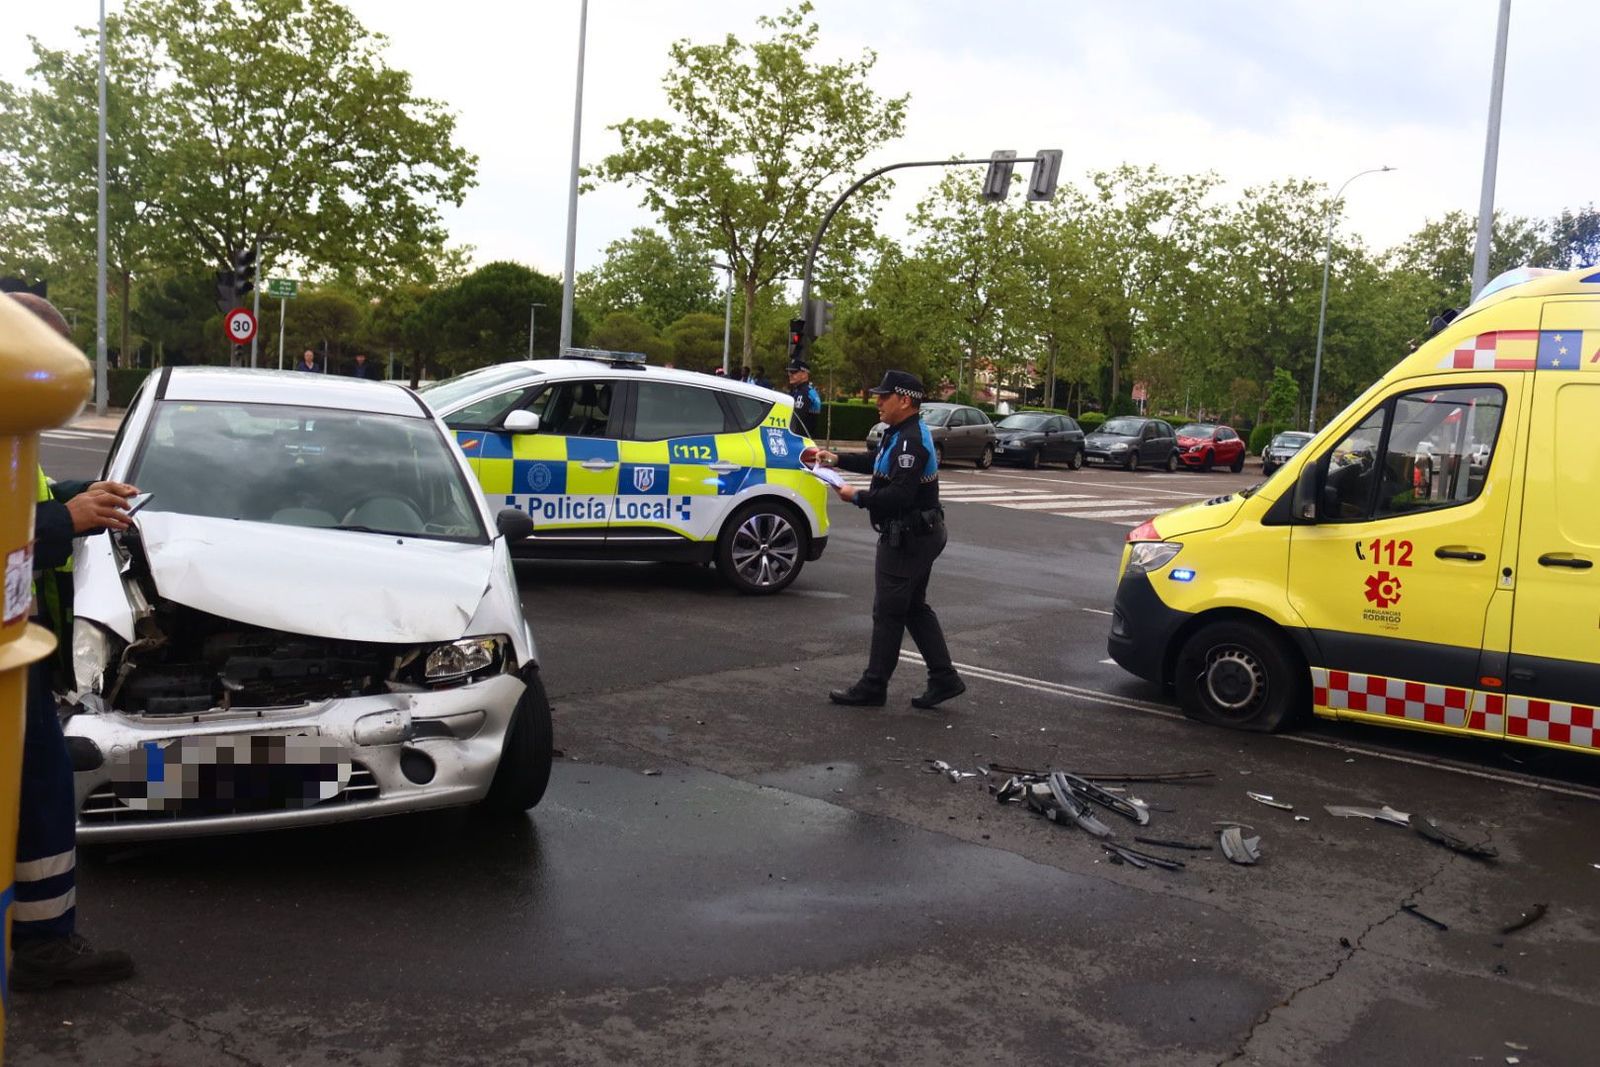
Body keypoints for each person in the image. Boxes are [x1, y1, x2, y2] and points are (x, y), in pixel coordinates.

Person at [6, 292, 136, 991]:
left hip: (16, 641)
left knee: (37, 788)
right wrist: (68, 518)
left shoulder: (13, 429)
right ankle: (45, 943)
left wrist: (83, 495)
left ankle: (41, 934)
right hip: (5, 648)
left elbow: (26, 497)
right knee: (39, 790)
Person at [813, 370, 965, 709]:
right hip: (918, 534)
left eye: (885, 396)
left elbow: (898, 494)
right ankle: (944, 678)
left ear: (905, 400)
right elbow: (879, 464)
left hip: (910, 537)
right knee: (912, 608)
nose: (878, 402)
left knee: (888, 612)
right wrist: (838, 459)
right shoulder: (899, 433)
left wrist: (856, 496)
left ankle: (874, 686)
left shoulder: (911, 440)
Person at [787, 360, 822, 440]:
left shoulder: (804, 393)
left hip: (801, 439)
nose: (790, 375)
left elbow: (796, 419)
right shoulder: (804, 390)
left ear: (804, 374)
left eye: (794, 372)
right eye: (789, 372)